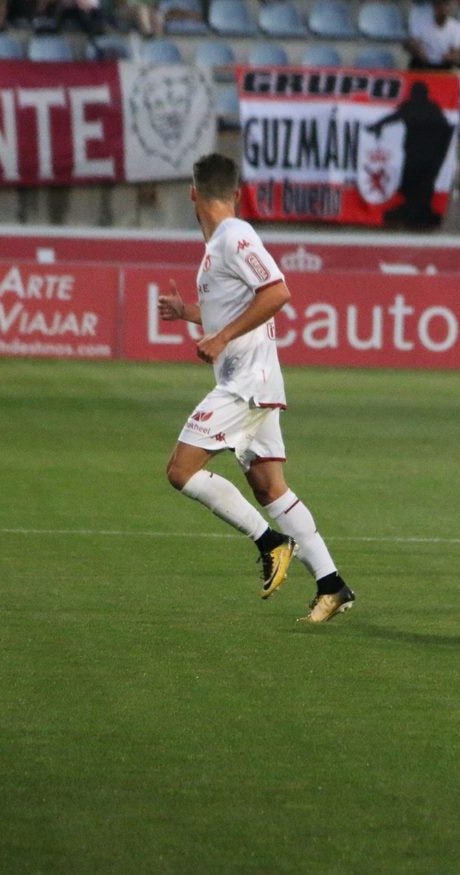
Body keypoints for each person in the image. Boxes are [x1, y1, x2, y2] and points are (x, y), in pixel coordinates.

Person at [157, 153, 356, 624]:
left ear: (192, 193)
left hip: (247, 383)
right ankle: (332, 585)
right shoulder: (217, 248)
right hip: (252, 382)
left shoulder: (235, 236)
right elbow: (233, 310)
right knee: (271, 488)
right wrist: (188, 313)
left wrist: (220, 338)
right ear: (238, 191)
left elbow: (278, 292)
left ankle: (271, 543)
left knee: (180, 471)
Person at [366, 83, 456, 230]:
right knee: (410, 182)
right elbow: (393, 117)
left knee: (424, 183)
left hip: (428, 155)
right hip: (415, 154)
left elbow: (444, 128)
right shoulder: (412, 106)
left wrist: (377, 126)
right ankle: (411, 209)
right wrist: (377, 126)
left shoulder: (431, 107)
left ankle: (421, 211)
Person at [407, 0, 460, 70]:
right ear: (435, 7)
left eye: (447, 5)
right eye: (441, 5)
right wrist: (417, 49)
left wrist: (451, 57)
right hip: (422, 63)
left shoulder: (457, 27)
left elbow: (456, 52)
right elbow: (412, 42)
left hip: (443, 65)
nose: (445, 9)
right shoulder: (420, 22)